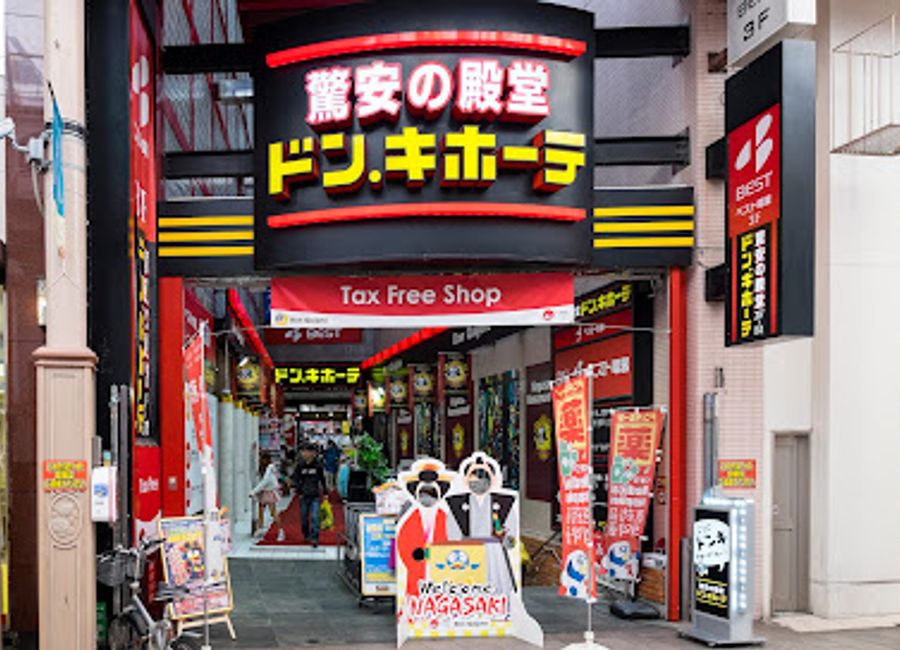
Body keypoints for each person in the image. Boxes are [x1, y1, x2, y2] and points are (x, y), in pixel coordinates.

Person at [292, 443, 327, 547]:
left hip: (315, 495)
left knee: (315, 517)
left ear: (314, 453)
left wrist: (325, 492)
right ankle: (306, 533)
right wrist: (297, 487)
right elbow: (295, 478)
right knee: (304, 517)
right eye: (305, 451)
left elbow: (322, 479)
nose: (307, 454)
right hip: (303, 495)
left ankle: (315, 538)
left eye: (309, 452)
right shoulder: (300, 465)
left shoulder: (318, 465)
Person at [250, 452, 285, 542]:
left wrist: (254, 491)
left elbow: (265, 481)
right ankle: (260, 529)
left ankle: (280, 531)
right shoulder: (266, 468)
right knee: (261, 510)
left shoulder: (269, 468)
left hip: (269, 492)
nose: (260, 460)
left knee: (273, 512)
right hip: (265, 491)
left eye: (261, 458)